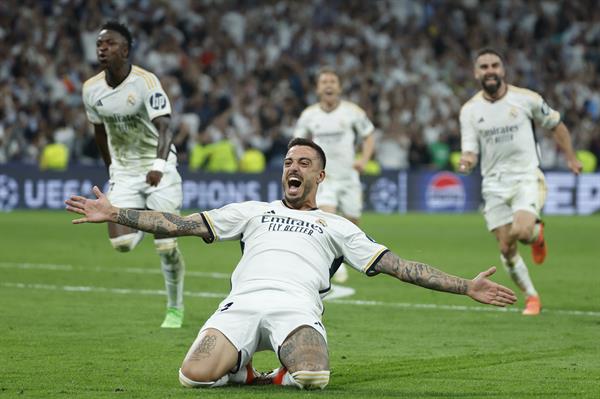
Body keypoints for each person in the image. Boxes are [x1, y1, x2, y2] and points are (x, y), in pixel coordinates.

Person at [66, 137, 517, 390]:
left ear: (320, 175)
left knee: (314, 376)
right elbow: (178, 224)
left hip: (296, 309)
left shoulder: (336, 225)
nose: (292, 168)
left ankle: (276, 367)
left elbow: (399, 266)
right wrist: (116, 213)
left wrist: (465, 286)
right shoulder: (253, 211)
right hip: (240, 305)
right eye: (287, 162)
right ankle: (244, 372)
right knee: (191, 377)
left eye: (303, 162)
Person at [458, 48, 582, 316]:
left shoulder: (526, 99)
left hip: (526, 176)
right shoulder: (469, 110)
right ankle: (532, 296)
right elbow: (469, 149)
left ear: (502, 70)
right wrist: (466, 162)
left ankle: (536, 235)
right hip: (493, 184)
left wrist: (571, 158)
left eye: (494, 65)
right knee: (506, 246)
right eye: (484, 67)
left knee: (522, 232)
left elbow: (557, 125)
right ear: (476, 73)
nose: (490, 70)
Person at [81, 21, 186, 328]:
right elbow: (99, 131)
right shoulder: (91, 89)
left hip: (159, 167)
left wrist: (158, 166)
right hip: (124, 172)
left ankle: (175, 308)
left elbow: (166, 125)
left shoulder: (146, 82)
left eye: (110, 44)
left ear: (125, 50)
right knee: (122, 244)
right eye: (100, 44)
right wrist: (111, 169)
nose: (103, 49)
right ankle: (146, 218)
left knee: (166, 248)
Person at [293, 67, 375, 283]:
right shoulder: (309, 115)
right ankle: (332, 264)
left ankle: (343, 257)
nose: (328, 85)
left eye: (332, 81)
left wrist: (364, 160)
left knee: (352, 223)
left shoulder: (353, 112)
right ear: (318, 88)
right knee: (326, 218)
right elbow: (298, 144)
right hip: (323, 178)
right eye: (324, 82)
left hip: (349, 176)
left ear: (339, 87)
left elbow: (368, 136)